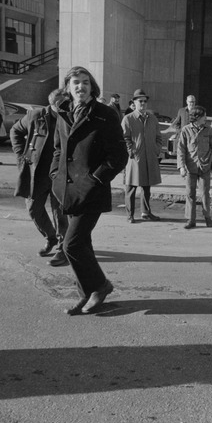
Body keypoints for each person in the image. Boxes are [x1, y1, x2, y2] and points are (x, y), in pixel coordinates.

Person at [50, 66, 129, 315]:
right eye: (75, 82)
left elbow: (119, 155)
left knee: (71, 245)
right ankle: (86, 295)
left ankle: (100, 286)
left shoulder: (105, 114)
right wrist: (55, 174)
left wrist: (95, 179)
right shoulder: (63, 112)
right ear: (67, 86)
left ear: (91, 86)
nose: (80, 87)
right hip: (67, 190)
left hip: (92, 191)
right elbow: (58, 149)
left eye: (85, 82)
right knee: (83, 244)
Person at [10, 88, 69, 267]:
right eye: (61, 104)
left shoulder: (70, 117)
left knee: (60, 212)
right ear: (51, 104)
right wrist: (21, 156)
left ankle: (62, 248)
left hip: (61, 172)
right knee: (34, 209)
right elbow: (15, 131)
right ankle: (50, 237)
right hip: (38, 172)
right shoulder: (36, 116)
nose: (65, 107)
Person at [121, 89, 163, 223]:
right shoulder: (128, 119)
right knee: (131, 187)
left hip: (149, 157)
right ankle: (130, 214)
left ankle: (146, 212)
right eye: (140, 101)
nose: (143, 103)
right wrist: (132, 151)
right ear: (134, 102)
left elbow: (158, 136)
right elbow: (124, 137)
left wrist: (156, 149)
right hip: (135, 157)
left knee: (146, 187)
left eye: (145, 101)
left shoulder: (152, 118)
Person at [177, 105, 212, 229]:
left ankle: (207, 217)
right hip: (190, 168)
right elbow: (181, 150)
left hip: (205, 167)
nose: (206, 118)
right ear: (197, 117)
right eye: (204, 116)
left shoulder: (209, 130)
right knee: (190, 193)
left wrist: (211, 159)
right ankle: (191, 219)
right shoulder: (186, 130)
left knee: (205, 193)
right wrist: (182, 167)